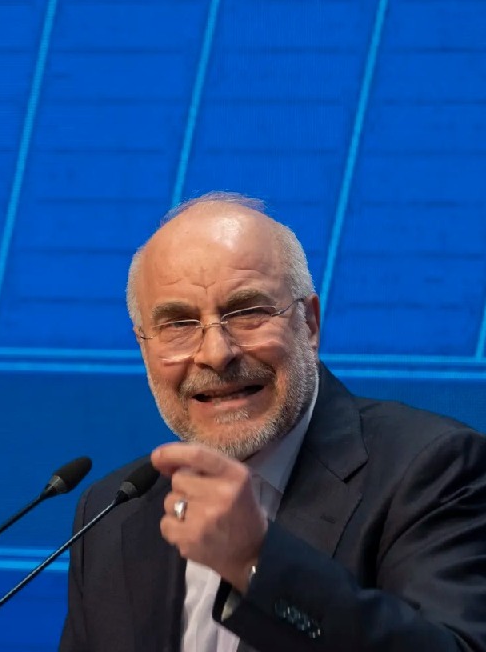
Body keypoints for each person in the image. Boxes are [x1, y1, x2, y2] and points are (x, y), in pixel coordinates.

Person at [60, 192, 486, 652]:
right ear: (144, 348)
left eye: (247, 312)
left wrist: (256, 562)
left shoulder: (433, 470)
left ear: (310, 324)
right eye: (178, 324)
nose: (216, 354)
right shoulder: (110, 512)